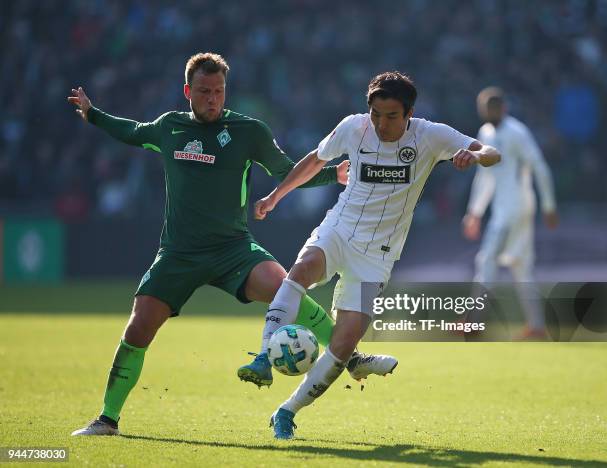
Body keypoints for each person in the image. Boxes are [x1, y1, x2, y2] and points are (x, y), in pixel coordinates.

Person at [68, 52, 389, 436]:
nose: (212, 99)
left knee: (284, 284)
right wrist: (92, 113)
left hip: (232, 248)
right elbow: (132, 131)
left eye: (219, 91)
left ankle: (351, 357)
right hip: (178, 253)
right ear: (188, 91)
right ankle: (107, 419)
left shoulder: (247, 130)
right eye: (204, 91)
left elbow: (286, 170)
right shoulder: (169, 128)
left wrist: (330, 176)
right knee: (138, 330)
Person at [252, 71, 501, 439]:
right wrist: (275, 197)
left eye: (391, 117)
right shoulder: (354, 128)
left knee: (343, 343)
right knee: (301, 270)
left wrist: (474, 156)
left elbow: (492, 152)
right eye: (376, 115)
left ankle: (287, 410)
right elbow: (315, 160)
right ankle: (262, 356)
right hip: (339, 229)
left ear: (409, 113)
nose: (382, 124)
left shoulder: (430, 135)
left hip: (378, 255)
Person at [463, 87, 558, 339]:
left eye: (494, 107)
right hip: (504, 209)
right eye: (485, 107)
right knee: (521, 266)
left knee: (487, 260)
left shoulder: (517, 132)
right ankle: (537, 326)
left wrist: (549, 205)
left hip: (516, 207)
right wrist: (474, 211)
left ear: (503, 107)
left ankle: (474, 321)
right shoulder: (485, 133)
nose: (490, 111)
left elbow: (539, 166)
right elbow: (485, 177)